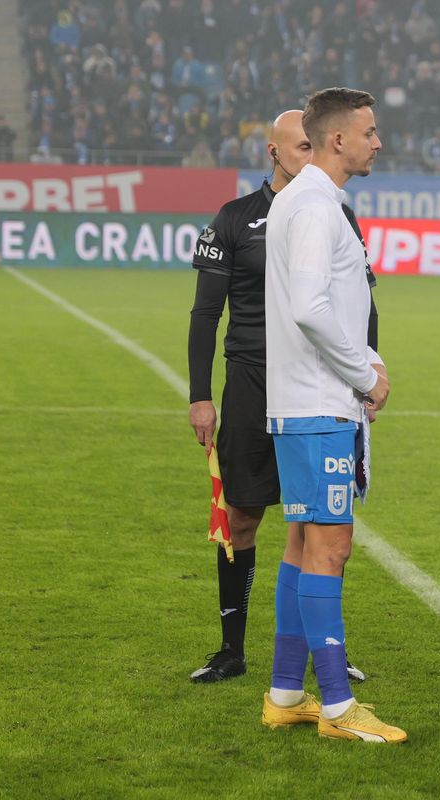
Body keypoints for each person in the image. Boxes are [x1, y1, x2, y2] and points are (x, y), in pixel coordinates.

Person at [188, 109, 376, 684]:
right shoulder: (236, 219)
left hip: (319, 386)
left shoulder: (336, 214)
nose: (308, 155)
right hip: (251, 382)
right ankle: (231, 646)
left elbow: (360, 306)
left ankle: (324, 652)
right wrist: (201, 395)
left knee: (317, 524)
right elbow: (205, 314)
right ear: (275, 152)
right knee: (243, 518)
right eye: (299, 147)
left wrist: (366, 369)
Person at [260, 88, 405, 743]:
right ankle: (341, 710)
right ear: (338, 139)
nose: (378, 142)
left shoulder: (300, 200)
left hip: (302, 403)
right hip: (319, 405)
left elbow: (325, 307)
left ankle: (286, 694)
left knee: (300, 544)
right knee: (331, 547)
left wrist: (360, 359)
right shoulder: (317, 205)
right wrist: (363, 372)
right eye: (370, 132)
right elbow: (312, 309)